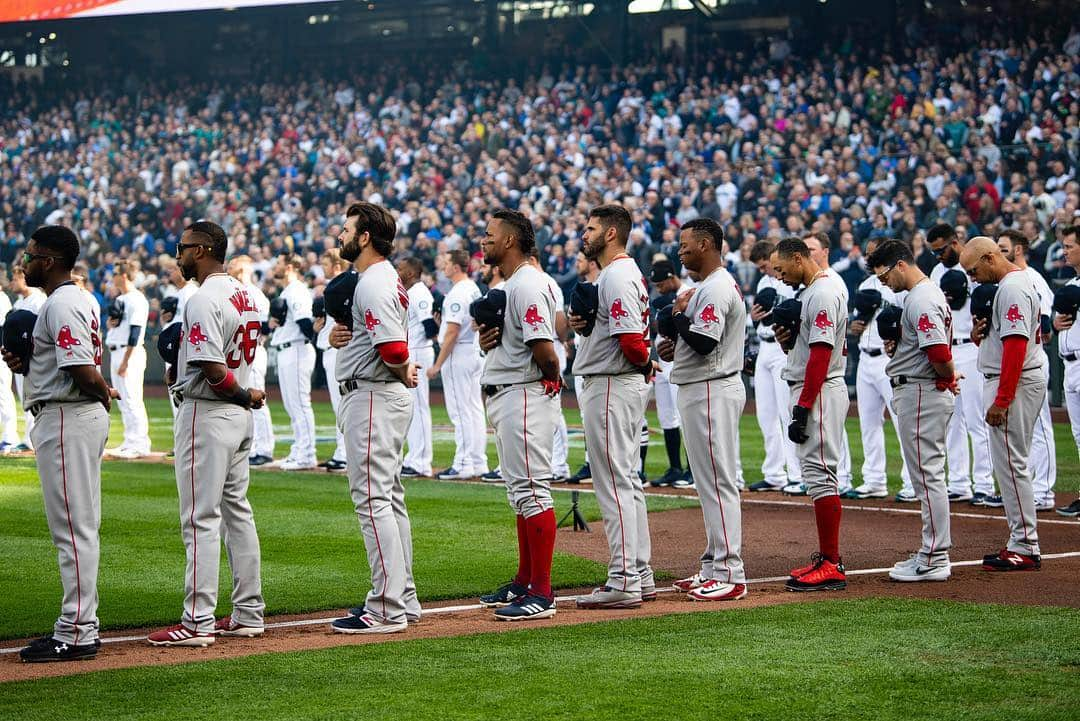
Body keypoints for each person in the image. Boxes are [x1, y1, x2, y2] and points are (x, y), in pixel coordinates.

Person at [148, 221, 267, 647]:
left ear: (201, 250)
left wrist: (240, 395)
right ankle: (249, 612)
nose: (177, 255)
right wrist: (246, 397)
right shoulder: (245, 293)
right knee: (237, 511)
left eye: (182, 248)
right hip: (238, 417)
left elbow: (212, 369)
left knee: (200, 517)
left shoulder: (202, 298)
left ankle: (197, 621)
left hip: (210, 411)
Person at [5, 225, 114, 662]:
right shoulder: (75, 299)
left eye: (31, 255)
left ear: (48, 261)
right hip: (69, 414)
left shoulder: (63, 302)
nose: (25, 262)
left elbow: (80, 370)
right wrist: (27, 361)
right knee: (78, 528)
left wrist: (103, 389)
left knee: (72, 530)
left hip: (67, 417)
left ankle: (76, 630)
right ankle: (81, 624)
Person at [328, 202, 421, 633]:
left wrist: (403, 366)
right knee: (389, 498)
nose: (340, 234)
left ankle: (386, 606)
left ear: (365, 237)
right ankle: (403, 597)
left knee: (373, 500)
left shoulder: (374, 282)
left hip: (373, 397)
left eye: (347, 229)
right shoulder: (381, 279)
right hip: (377, 395)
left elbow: (394, 350)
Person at [474, 209, 562, 620]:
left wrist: (552, 378)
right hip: (510, 391)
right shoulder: (517, 284)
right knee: (520, 493)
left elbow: (545, 347)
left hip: (524, 393)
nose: (483, 241)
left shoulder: (527, 284)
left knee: (532, 490)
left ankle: (541, 593)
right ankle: (525, 580)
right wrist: (487, 340)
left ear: (510, 241)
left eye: (489, 235)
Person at [569, 204, 656, 609]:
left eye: (589, 229)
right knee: (627, 481)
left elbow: (631, 342)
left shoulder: (617, 275)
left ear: (610, 234)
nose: (583, 235)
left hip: (610, 384)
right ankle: (639, 572)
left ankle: (623, 578)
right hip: (618, 383)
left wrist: (645, 362)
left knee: (614, 484)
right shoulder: (622, 273)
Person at [658, 219, 748, 601]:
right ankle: (713, 565)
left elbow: (705, 343)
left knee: (717, 480)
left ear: (707, 244)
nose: (680, 250)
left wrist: (678, 321)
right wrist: (675, 343)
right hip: (702, 386)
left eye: (686, 244)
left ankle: (730, 571)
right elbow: (694, 341)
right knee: (708, 481)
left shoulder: (714, 289)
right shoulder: (707, 287)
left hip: (712, 387)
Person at [868, 240, 957, 582]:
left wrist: (948, 377)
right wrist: (948, 376)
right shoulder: (922, 295)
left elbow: (936, 350)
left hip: (921, 390)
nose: (883, 282)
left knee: (927, 476)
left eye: (884, 274)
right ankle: (931, 551)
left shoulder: (920, 298)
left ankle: (934, 556)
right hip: (919, 387)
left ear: (901, 264)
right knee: (926, 474)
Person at [961, 236, 1044, 571]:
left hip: (1016, 382)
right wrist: (981, 336)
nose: (972, 277)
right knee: (1010, 463)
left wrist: (1002, 399)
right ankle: (1021, 541)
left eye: (974, 269)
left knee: (1011, 464)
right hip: (1017, 379)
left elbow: (1015, 348)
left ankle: (1025, 545)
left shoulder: (1011, 288)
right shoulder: (1012, 285)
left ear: (991, 258)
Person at [771, 237, 848, 592]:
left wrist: (803, 405)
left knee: (820, 473)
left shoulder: (822, 292)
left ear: (799, 258)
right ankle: (827, 556)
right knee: (816, 472)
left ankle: (831, 563)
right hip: (816, 386)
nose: (780, 276)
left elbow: (820, 352)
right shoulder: (813, 292)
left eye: (782, 269)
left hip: (819, 388)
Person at [926, 224, 997, 506]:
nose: (938, 256)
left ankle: (984, 483)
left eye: (941, 250)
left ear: (955, 243)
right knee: (952, 420)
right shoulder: (936, 273)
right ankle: (959, 482)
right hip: (948, 349)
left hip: (972, 346)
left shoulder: (975, 267)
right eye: (934, 252)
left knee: (977, 420)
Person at [845, 237, 912, 499]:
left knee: (901, 421)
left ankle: (911, 482)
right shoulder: (865, 285)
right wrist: (855, 327)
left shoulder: (899, 284)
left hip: (890, 359)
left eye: (875, 254)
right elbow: (855, 321)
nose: (869, 258)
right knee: (868, 422)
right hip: (865, 356)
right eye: (868, 254)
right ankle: (874, 480)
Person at [997, 230, 1056, 511]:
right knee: (1020, 433)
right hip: (1020, 358)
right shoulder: (1008, 281)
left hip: (1032, 360)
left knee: (1040, 428)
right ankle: (1030, 488)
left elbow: (1045, 327)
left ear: (1018, 250)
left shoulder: (1032, 279)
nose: (998, 251)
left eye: (1003, 247)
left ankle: (1044, 490)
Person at [794, 232, 853, 496]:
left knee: (826, 460)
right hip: (818, 372)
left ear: (825, 251)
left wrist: (804, 404)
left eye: (812, 248)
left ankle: (846, 477)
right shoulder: (811, 288)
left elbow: (823, 346)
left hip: (826, 376)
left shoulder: (829, 286)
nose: (808, 253)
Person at [428, 249, 488, 480]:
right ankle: (477, 461)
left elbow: (452, 333)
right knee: (473, 409)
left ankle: (463, 463)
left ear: (455, 267)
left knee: (461, 412)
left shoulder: (456, 293)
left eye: (446, 263)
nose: (443, 266)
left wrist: (437, 364)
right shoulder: (473, 288)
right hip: (473, 350)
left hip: (459, 353)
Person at [746, 240, 801, 492]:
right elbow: (757, 318)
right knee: (765, 414)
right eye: (759, 268)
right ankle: (774, 473)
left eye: (765, 265)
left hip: (782, 348)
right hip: (765, 346)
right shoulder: (763, 282)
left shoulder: (790, 281)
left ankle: (797, 474)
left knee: (785, 412)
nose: (763, 271)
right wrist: (756, 319)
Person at [647, 258, 693, 488]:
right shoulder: (663, 297)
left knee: (683, 415)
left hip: (680, 359)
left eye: (660, 284)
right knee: (667, 416)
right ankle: (675, 468)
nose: (659, 288)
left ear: (670, 277)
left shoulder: (688, 292)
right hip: (662, 360)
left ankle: (692, 470)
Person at [270, 256, 317, 471]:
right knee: (292, 404)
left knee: (299, 403)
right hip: (287, 349)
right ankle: (299, 450)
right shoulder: (288, 291)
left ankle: (307, 454)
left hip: (297, 348)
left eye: (278, 263)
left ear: (289, 267)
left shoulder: (297, 290)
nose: (275, 267)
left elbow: (306, 323)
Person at [227, 255, 274, 466]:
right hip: (245, 352)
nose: (230, 272)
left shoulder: (255, 294)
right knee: (246, 399)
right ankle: (253, 447)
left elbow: (266, 326)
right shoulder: (239, 293)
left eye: (233, 269)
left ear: (242, 271)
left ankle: (264, 448)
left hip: (254, 351)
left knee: (257, 400)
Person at [103, 260, 151, 458]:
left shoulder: (137, 299)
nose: (112, 277)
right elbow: (117, 325)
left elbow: (136, 332)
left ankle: (140, 444)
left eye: (115, 273)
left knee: (132, 399)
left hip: (129, 353)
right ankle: (129, 441)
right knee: (123, 401)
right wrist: (110, 324)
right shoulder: (122, 299)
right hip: (117, 351)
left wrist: (125, 362)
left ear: (124, 275)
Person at [398, 256, 437, 478]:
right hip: (413, 350)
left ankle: (421, 461)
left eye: (401, 268)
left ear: (411, 273)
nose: (397, 270)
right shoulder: (411, 292)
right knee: (412, 407)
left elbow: (430, 327)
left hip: (419, 351)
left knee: (419, 407)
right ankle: (414, 457)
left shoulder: (420, 293)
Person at [1053, 226, 1080, 518]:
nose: (1065, 251)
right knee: (1078, 435)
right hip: (1069, 365)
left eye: (1070, 246)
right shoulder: (1072, 282)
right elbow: (1056, 319)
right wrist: (1055, 323)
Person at [566, 250, 599, 485]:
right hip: (583, 354)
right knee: (585, 415)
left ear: (592, 261)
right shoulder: (582, 288)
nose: (576, 263)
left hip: (598, 360)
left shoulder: (604, 285)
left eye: (580, 260)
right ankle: (591, 461)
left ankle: (599, 463)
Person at [315, 248, 349, 472]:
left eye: (326, 264)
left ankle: (345, 453)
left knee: (342, 406)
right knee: (339, 407)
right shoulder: (334, 287)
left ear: (336, 265)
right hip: (329, 349)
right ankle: (341, 451)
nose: (323, 268)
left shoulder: (340, 287)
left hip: (337, 350)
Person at [8, 265, 47, 450]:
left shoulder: (38, 300)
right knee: (25, 398)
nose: (12, 283)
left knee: (34, 397)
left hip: (33, 357)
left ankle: (35, 439)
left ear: (24, 278)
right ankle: (29, 438)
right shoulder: (19, 302)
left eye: (15, 279)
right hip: (19, 357)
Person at [0, 270, 20, 453]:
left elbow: (3, 329)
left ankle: (10, 436)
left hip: (0, 352)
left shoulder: (2, 298)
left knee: (3, 392)